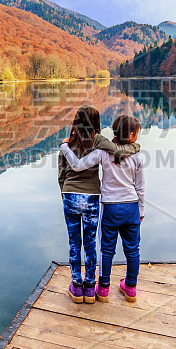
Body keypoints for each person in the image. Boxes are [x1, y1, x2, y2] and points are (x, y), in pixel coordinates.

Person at [58, 106, 139, 304]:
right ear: (96, 123)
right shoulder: (99, 142)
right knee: (91, 243)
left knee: (74, 243)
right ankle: (90, 286)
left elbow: (61, 175)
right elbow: (119, 151)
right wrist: (136, 148)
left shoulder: (67, 144)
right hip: (92, 197)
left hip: (70, 195)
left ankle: (76, 288)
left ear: (76, 121)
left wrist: (65, 193)